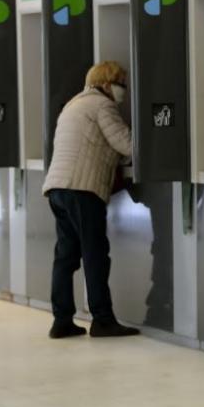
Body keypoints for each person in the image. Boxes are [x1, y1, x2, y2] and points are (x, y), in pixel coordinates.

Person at [42, 60, 138, 339]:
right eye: (121, 83)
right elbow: (127, 144)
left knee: (66, 256)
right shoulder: (102, 105)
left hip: (58, 188)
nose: (123, 90)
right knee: (95, 255)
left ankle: (61, 321)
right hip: (82, 189)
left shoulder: (74, 104)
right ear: (106, 84)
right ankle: (102, 320)